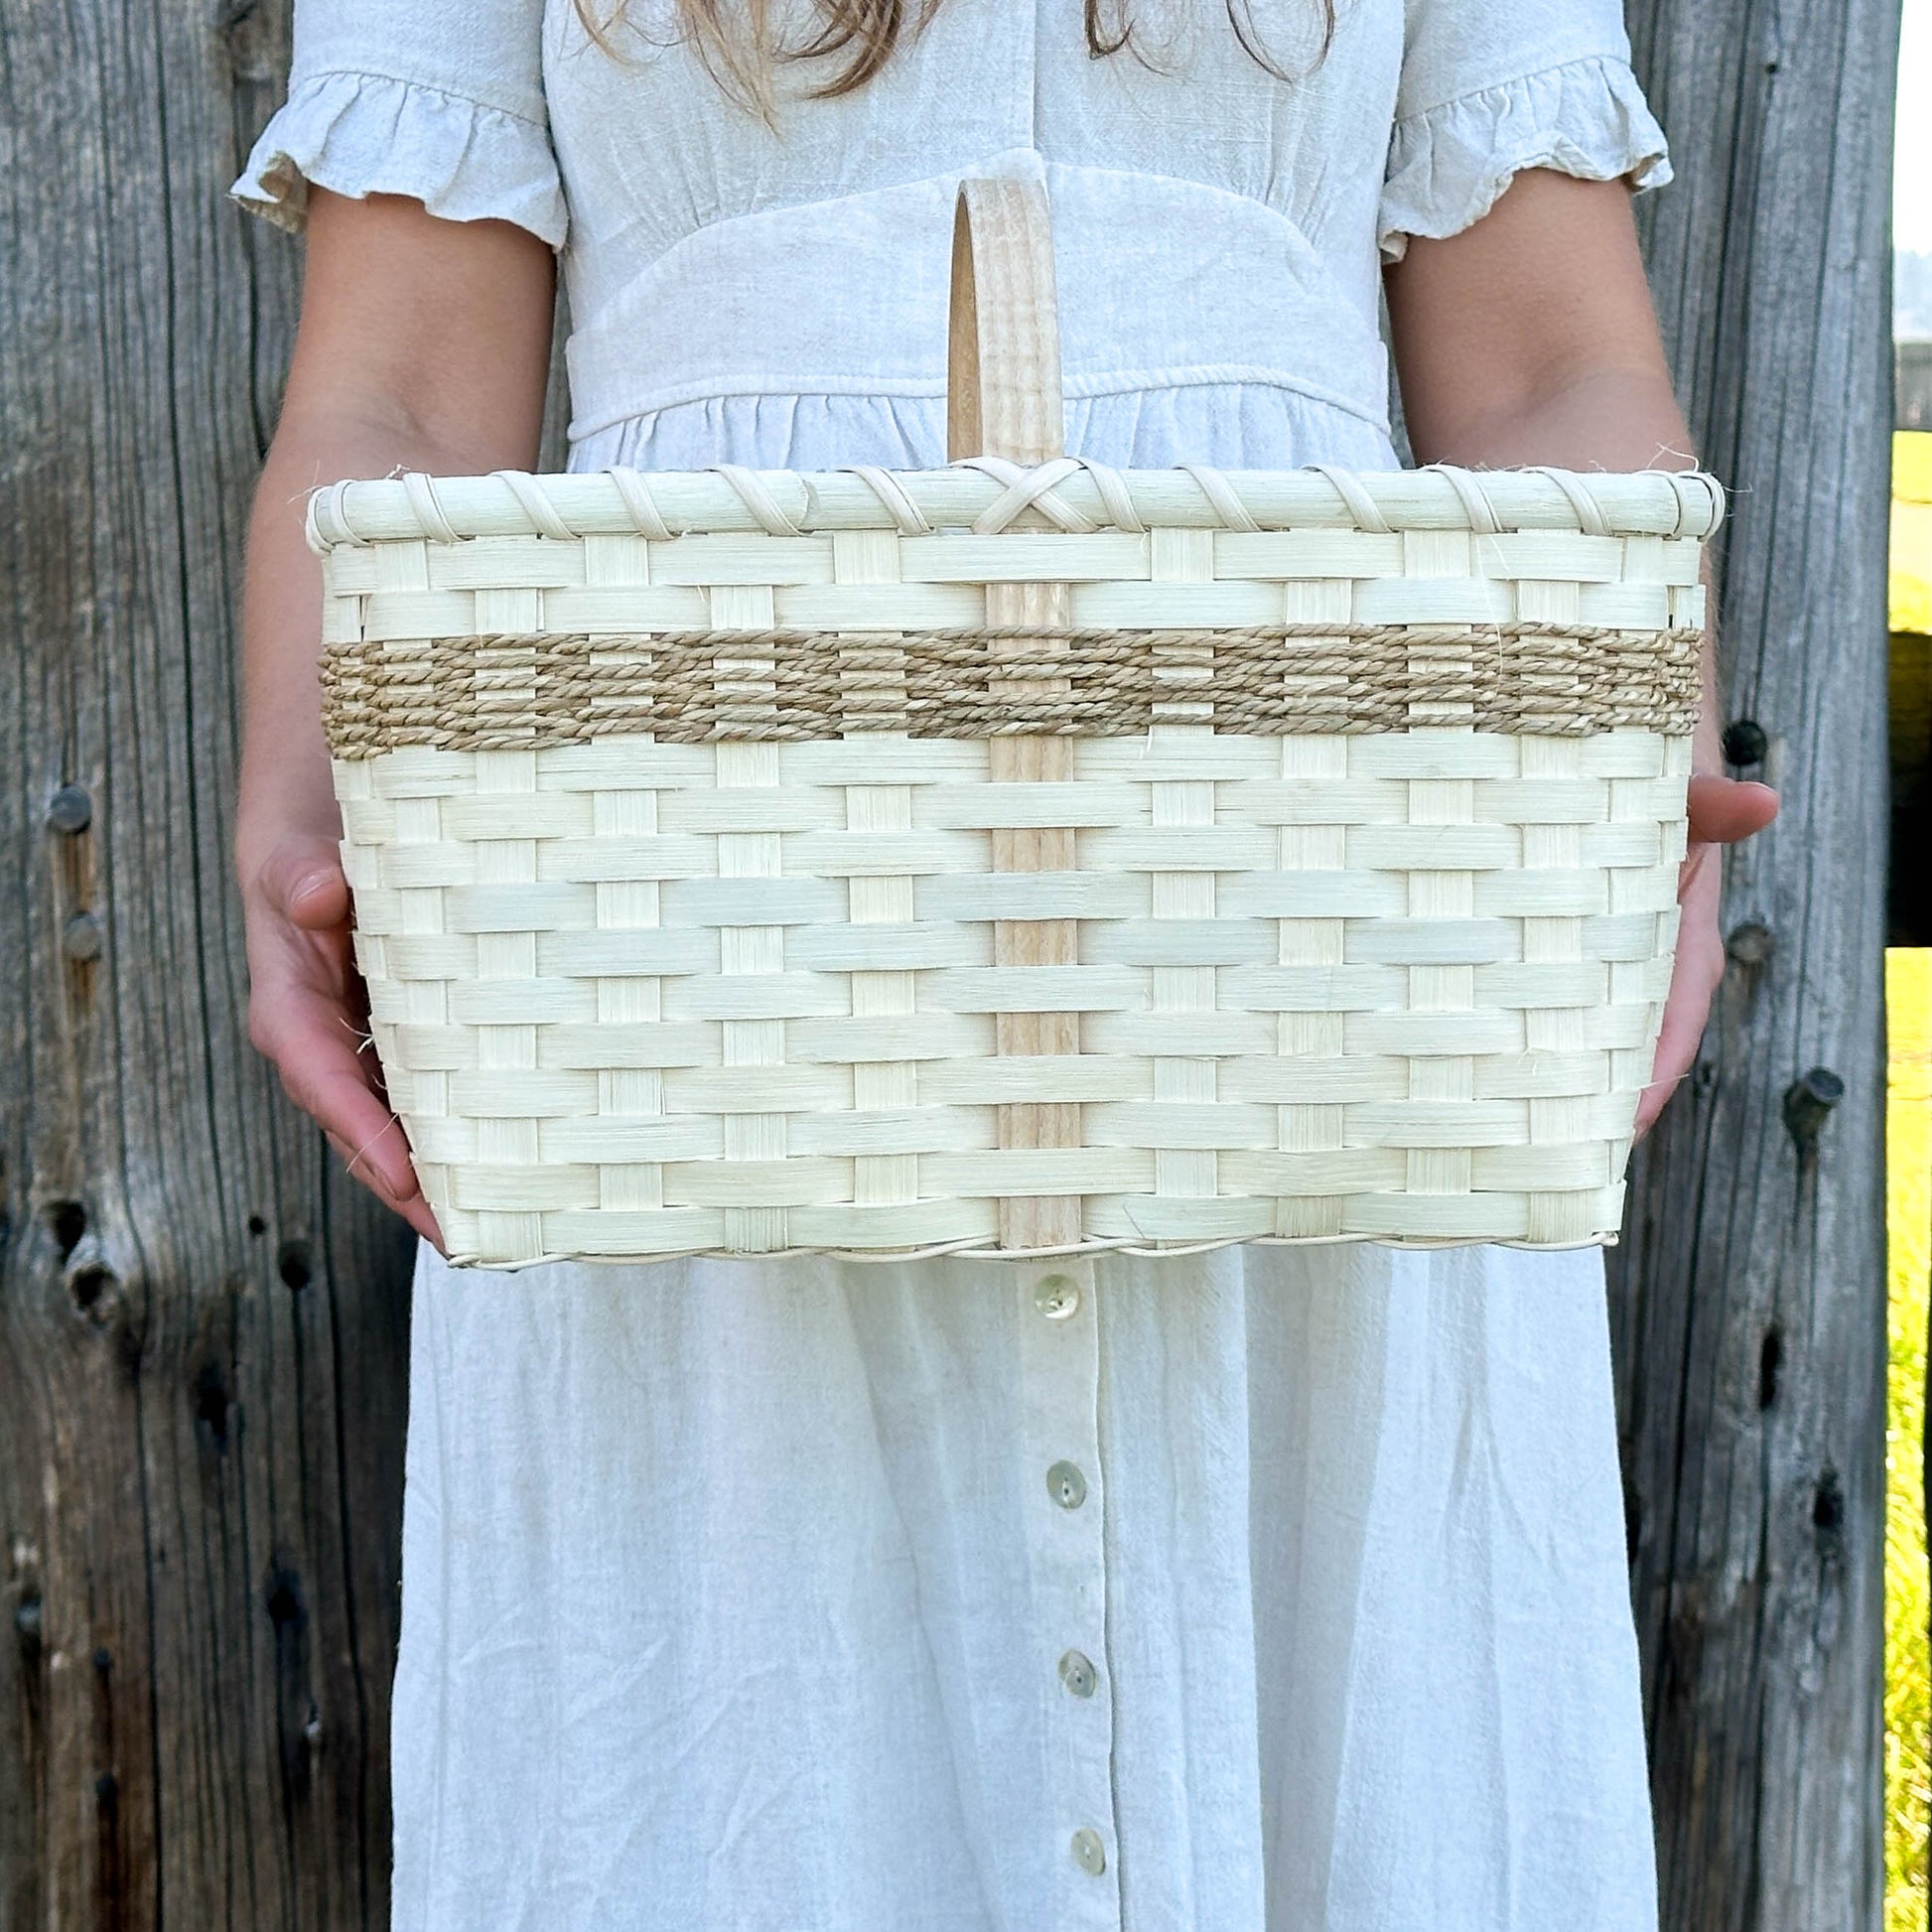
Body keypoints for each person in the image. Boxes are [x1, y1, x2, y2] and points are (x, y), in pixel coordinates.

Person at [228, 0, 1778, 1924]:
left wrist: (1636, 754)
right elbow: (399, 388)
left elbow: (1550, 359)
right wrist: (302, 802)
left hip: (1316, 907)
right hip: (697, 926)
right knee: (752, 1754)